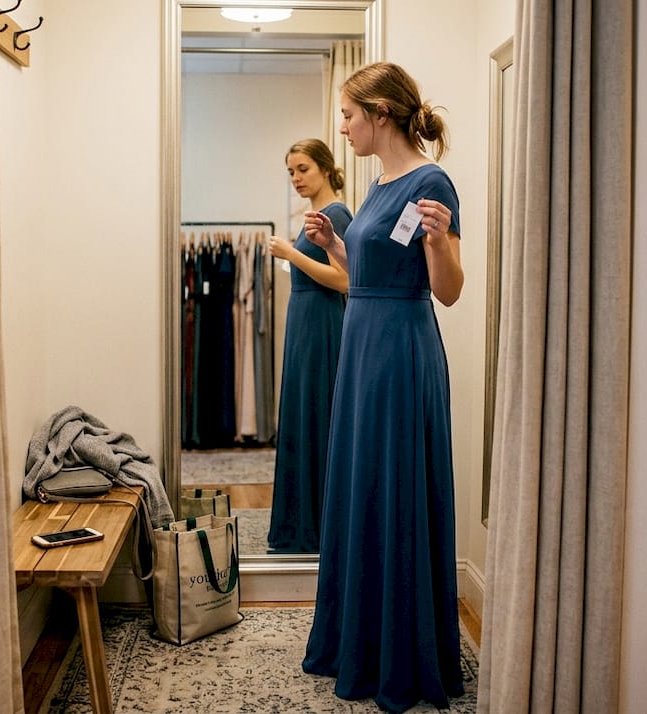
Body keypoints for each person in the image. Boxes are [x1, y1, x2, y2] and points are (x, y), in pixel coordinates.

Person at [300, 62, 465, 712]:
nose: (341, 128)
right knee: (363, 487)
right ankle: (360, 642)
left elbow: (446, 291)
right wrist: (337, 246)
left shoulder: (430, 180)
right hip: (363, 347)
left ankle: (399, 657)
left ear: (380, 114)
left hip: (399, 351)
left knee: (393, 489)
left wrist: (440, 243)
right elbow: (368, 272)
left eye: (347, 115)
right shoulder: (377, 184)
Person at [265, 138, 353, 554]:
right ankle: (302, 527)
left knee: (316, 415)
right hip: (305, 324)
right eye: (291, 172)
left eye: (303, 169)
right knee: (303, 415)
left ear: (324, 168)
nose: (296, 178)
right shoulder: (315, 215)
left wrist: (289, 253)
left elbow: (345, 280)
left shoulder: (336, 214)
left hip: (322, 325)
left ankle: (315, 529)